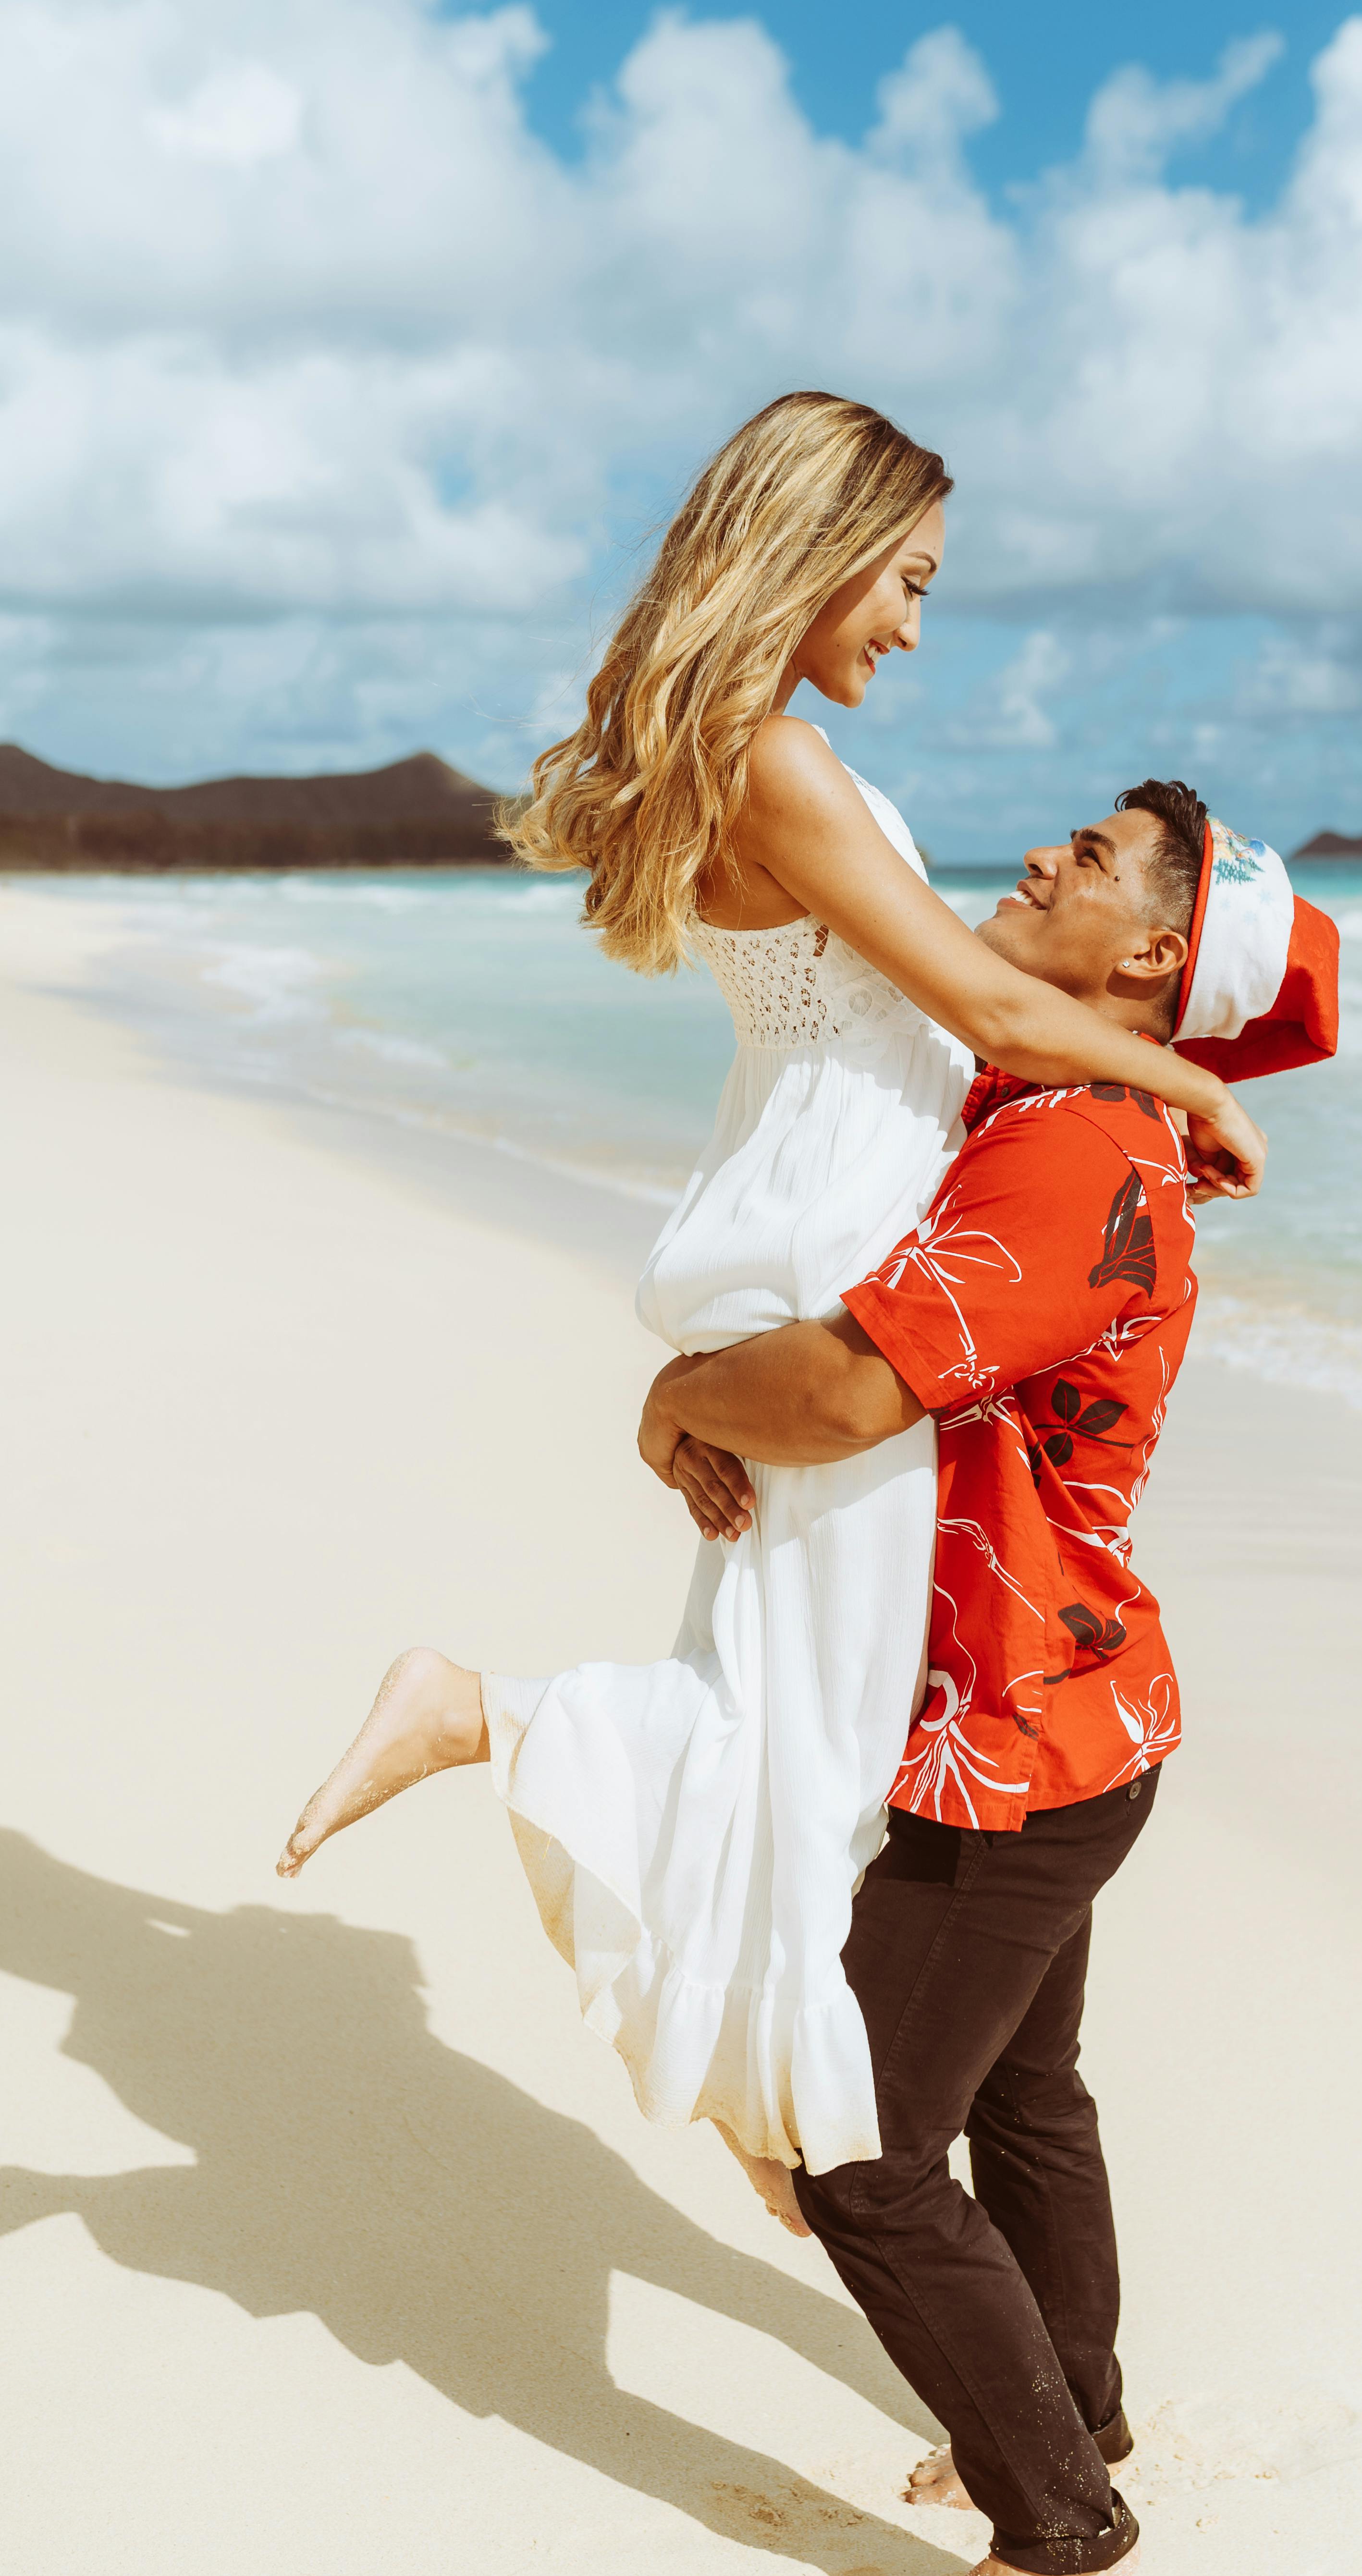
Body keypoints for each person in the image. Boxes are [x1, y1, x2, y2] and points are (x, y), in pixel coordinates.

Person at [274, 391, 1269, 2239]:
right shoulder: (772, 757)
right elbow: (994, 1013)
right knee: (812, 1737)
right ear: (817, 546)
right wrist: (1199, 1095)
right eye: (905, 578)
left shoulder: (746, 751)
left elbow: (977, 1012)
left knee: (804, 1711)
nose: (912, 621)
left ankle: (767, 2082)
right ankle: (495, 1732)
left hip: (828, 1234)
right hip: (840, 1262)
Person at [631, 781, 1337, 2576]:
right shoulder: (1059, 1108)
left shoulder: (1068, 1156)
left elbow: (858, 1382)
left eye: (1094, 864)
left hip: (1023, 1749)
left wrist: (675, 1390)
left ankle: (1062, 2536)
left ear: (1151, 964)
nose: (1042, 857)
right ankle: (1081, 2416)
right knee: (1030, 2097)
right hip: (1075, 1716)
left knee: (851, 2148)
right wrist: (1196, 1088)